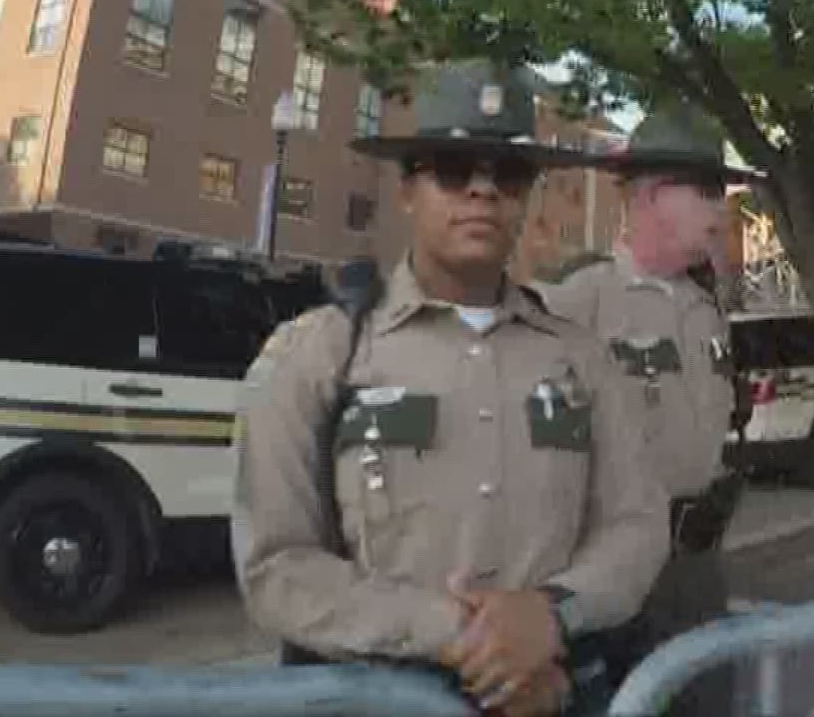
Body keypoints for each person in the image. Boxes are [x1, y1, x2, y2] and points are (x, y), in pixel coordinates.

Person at [231, 60, 670, 717]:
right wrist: (464, 637)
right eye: (454, 169)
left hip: (550, 697)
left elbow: (634, 525)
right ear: (409, 189)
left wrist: (550, 617)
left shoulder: (582, 359)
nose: (482, 192)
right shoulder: (320, 353)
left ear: (527, 196)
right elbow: (278, 564)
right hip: (376, 700)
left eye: (508, 174)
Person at [536, 102, 749, 717]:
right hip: (612, 572)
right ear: (653, 195)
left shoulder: (705, 307)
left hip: (696, 568)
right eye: (708, 191)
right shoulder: (578, 296)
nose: (720, 209)